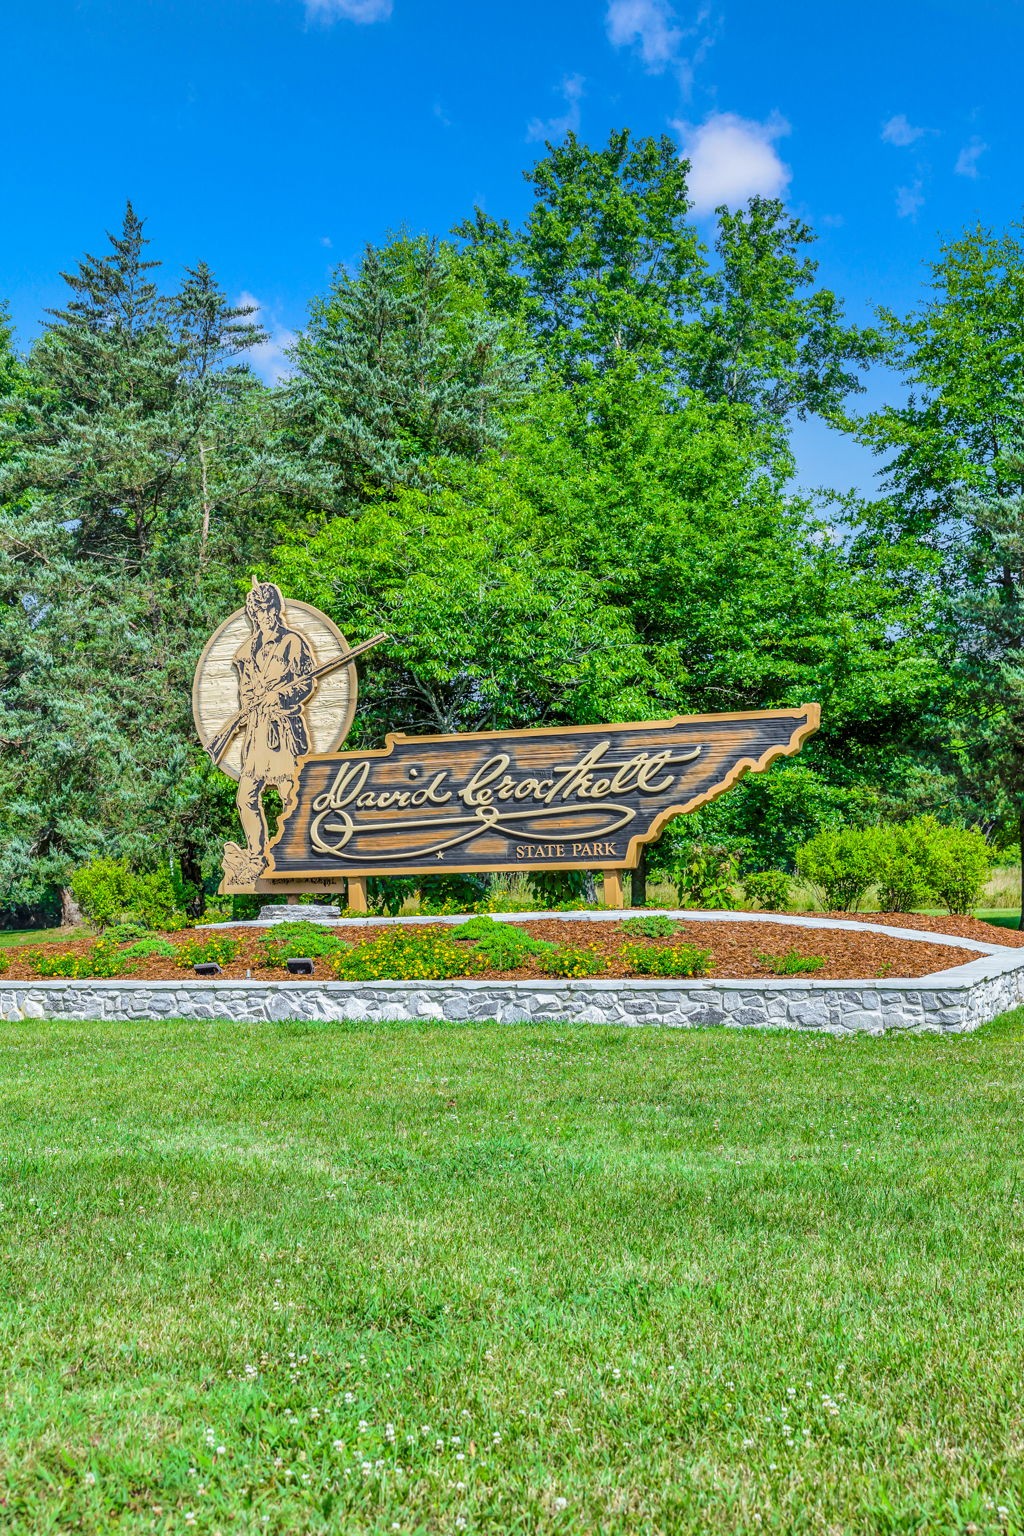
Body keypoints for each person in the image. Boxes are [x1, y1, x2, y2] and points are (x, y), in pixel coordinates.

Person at [231, 579, 315, 879]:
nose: (265, 615)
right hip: (255, 732)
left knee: (289, 795)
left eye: (270, 609)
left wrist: (279, 695)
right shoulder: (245, 652)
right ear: (253, 613)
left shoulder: (292, 642)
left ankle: (298, 851)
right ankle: (256, 856)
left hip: (281, 730)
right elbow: (245, 691)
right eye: (260, 610)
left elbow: (307, 682)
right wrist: (248, 704)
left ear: (277, 609)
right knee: (245, 798)